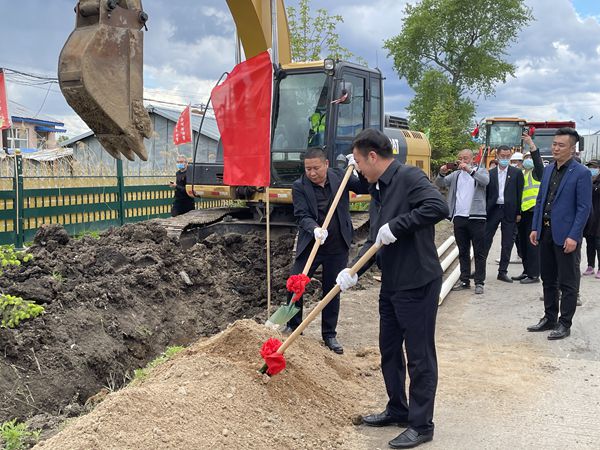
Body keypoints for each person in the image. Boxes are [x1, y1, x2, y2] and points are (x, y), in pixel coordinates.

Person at [337, 128, 449, 448]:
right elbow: (376, 240)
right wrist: (353, 270)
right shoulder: (379, 188)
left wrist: (398, 226)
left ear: (373, 157)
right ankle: (398, 408)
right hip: (392, 282)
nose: (358, 169)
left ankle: (421, 424)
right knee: (389, 349)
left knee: (419, 355)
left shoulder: (409, 177)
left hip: (418, 281)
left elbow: (439, 208)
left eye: (359, 162)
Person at [285, 147, 366, 354]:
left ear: (326, 164)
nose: (312, 173)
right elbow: (301, 215)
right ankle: (293, 326)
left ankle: (329, 334)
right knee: (296, 283)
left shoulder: (341, 176)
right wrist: (314, 229)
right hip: (312, 243)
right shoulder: (299, 186)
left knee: (332, 290)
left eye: (316, 168)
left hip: (337, 245)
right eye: (308, 169)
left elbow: (364, 187)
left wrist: (358, 169)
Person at [527, 128, 592, 340]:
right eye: (554, 144)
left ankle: (565, 323)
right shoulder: (548, 170)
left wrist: (574, 236)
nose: (555, 148)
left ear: (572, 149)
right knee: (548, 278)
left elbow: (584, 208)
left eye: (560, 145)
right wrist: (535, 227)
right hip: (545, 231)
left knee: (568, 282)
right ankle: (550, 318)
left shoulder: (581, 173)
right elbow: (540, 200)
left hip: (566, 236)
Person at [435, 149, 489, 294]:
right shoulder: (456, 175)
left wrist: (470, 170)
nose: (463, 161)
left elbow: (485, 182)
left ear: (472, 159)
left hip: (476, 217)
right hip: (459, 217)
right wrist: (442, 172)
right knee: (463, 251)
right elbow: (440, 183)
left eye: (466, 158)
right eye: (460, 158)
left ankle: (479, 282)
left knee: (479, 252)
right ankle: (464, 280)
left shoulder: (480, 171)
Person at [484, 145, 525, 282]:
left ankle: (502, 271)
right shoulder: (490, 173)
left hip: (510, 211)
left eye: (508, 156)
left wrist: (518, 212)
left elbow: (520, 194)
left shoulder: (516, 173)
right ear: (497, 156)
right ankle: (479, 269)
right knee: (485, 240)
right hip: (493, 210)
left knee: (507, 242)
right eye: (502, 156)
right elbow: (486, 194)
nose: (505, 158)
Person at [512, 136, 545, 283]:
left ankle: (534, 274)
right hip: (523, 213)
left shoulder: (537, 173)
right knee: (523, 245)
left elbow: (537, 162)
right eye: (525, 158)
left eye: (529, 157)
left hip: (534, 212)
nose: (528, 160)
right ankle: (527, 271)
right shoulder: (522, 174)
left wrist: (531, 145)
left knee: (532, 245)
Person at [582, 159, 600, 278]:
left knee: (598, 242)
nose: (591, 169)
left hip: (598, 217)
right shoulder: (587, 180)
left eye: (594, 167)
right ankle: (590, 265)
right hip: (590, 217)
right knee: (590, 242)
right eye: (589, 167)